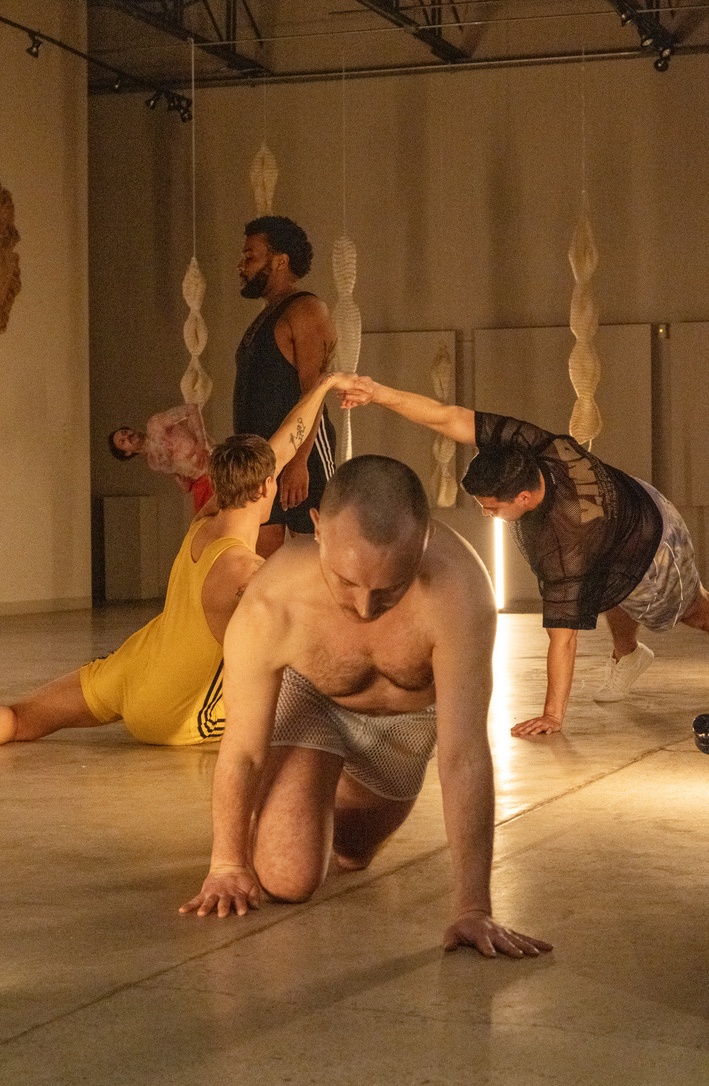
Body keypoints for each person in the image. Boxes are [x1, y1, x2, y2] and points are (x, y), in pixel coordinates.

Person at [180, 455, 553, 959]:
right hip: (313, 703)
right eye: (346, 582)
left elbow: (463, 754)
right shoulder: (273, 601)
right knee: (287, 877)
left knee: (354, 856)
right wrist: (226, 864)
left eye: (389, 589)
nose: (363, 608)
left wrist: (473, 908)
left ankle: (320, 800)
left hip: (406, 726)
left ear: (424, 541)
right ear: (316, 529)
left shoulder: (460, 590)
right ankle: (302, 784)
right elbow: (243, 748)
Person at [0, 374, 351, 748]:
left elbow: (285, 442)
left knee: (18, 719)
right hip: (172, 713)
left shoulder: (205, 521)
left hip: (131, 669)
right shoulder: (246, 572)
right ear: (264, 487)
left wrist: (324, 385)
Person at [337, 376, 709, 738]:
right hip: (630, 503)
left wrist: (552, 714)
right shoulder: (533, 445)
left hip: (653, 547)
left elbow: (562, 639)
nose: (485, 514)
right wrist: (378, 393)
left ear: (524, 499)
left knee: (696, 611)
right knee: (608, 585)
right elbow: (448, 416)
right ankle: (627, 654)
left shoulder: (566, 545)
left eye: (491, 508)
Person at [233, 215, 337, 559]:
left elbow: (316, 390)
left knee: (313, 555)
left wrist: (299, 461)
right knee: (261, 561)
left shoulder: (306, 309)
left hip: (298, 453)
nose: (242, 265)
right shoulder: (267, 314)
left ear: (280, 261)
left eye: (251, 256)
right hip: (262, 457)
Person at [109, 402, 214, 512]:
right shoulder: (154, 462)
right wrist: (184, 485)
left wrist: (202, 442)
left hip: (217, 465)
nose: (127, 436)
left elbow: (191, 409)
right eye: (123, 441)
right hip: (203, 486)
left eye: (125, 432)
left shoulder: (155, 425)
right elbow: (182, 473)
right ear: (127, 453)